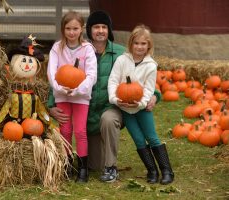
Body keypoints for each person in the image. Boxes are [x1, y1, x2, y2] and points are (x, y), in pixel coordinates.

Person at [48, 10, 161, 183]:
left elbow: (143, 74)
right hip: (86, 113)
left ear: (109, 30)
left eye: (104, 27)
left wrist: (154, 95)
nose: (100, 30)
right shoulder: (79, 50)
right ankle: (79, 162)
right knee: (94, 165)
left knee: (108, 119)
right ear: (89, 30)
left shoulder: (122, 53)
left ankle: (111, 167)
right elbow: (62, 76)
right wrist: (51, 104)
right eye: (96, 27)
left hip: (110, 109)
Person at [108, 24, 174, 185]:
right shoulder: (122, 60)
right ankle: (152, 170)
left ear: (148, 46)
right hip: (124, 107)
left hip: (142, 108)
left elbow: (149, 89)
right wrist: (115, 100)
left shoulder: (151, 66)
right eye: (136, 43)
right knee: (138, 139)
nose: (139, 47)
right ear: (131, 44)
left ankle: (167, 170)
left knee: (152, 138)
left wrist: (141, 103)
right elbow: (113, 81)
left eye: (143, 44)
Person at [47, 11, 97, 183]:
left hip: (81, 96)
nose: (71, 32)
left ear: (81, 28)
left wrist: (77, 90)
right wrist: (59, 87)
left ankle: (83, 167)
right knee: (65, 130)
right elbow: (52, 72)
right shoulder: (57, 48)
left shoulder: (87, 49)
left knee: (80, 131)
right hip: (62, 95)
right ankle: (68, 164)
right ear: (63, 29)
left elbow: (91, 75)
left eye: (75, 28)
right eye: (68, 28)